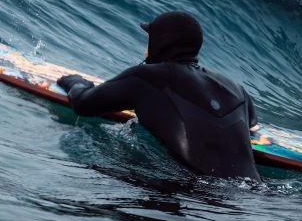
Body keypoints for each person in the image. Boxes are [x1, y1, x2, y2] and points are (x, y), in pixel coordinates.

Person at [57, 11, 261, 181]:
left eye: (149, 39)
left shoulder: (146, 78)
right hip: (253, 190)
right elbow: (251, 124)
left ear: (160, 42)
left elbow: (83, 104)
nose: (146, 48)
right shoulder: (236, 88)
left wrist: (75, 82)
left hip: (196, 193)